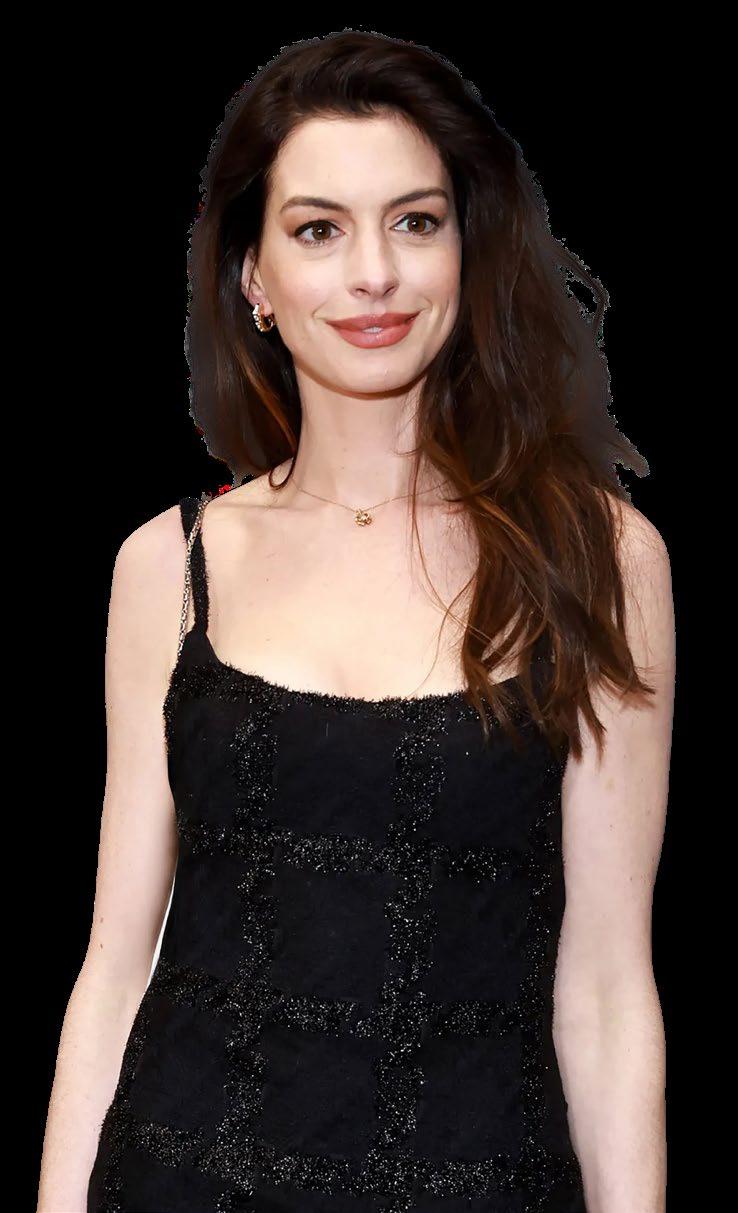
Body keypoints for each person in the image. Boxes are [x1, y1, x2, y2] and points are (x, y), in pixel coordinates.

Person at [37, 30, 673, 1213]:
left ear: (467, 250)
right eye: (319, 230)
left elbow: (605, 990)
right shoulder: (170, 566)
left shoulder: (601, 558)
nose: (374, 273)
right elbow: (118, 963)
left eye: (416, 222)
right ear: (254, 278)